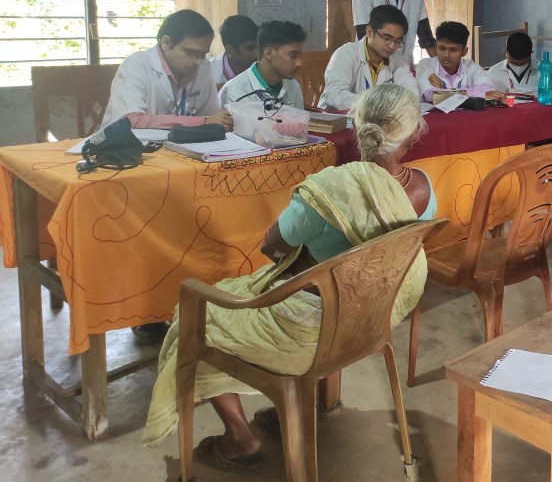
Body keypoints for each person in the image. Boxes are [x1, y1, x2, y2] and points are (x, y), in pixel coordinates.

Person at [142, 84, 437, 469]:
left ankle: (240, 438)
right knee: (316, 289)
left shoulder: (330, 190)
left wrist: (309, 257)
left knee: (193, 317)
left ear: (357, 126)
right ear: (412, 134)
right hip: (371, 322)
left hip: (312, 333)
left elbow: (272, 245)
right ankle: (309, 402)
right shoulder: (424, 189)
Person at [101, 9, 233, 130]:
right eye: (191, 53)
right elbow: (132, 120)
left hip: (182, 144)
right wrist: (201, 122)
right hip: (127, 145)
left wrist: (211, 121)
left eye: (203, 55)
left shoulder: (203, 66)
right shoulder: (136, 65)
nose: (198, 62)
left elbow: (212, 116)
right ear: (166, 43)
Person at [319, 4, 418, 111]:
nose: (392, 46)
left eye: (398, 41)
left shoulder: (396, 58)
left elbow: (411, 94)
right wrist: (375, 103)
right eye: (387, 38)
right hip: (338, 117)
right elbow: (334, 95)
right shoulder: (346, 53)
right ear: (369, 32)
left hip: (377, 118)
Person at [219, 20, 306, 110]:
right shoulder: (234, 92)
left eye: (299, 56)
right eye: (293, 56)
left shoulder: (293, 86)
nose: (299, 63)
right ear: (269, 53)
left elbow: (299, 119)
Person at [416, 21, 504, 103]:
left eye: (453, 50)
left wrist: (444, 91)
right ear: (435, 46)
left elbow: (488, 90)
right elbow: (430, 96)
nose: (446, 55)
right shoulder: (425, 65)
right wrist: (477, 93)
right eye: (442, 48)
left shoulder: (470, 66)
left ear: (464, 52)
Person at [208, 15, 259, 89]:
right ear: (230, 50)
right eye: (250, 48)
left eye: (259, 46)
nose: (258, 54)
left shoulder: (264, 69)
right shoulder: (206, 73)